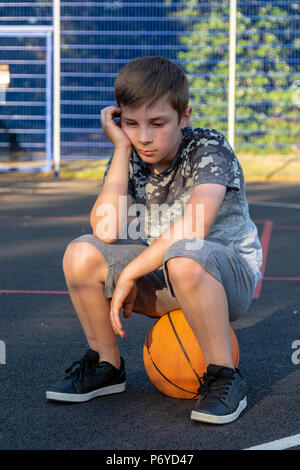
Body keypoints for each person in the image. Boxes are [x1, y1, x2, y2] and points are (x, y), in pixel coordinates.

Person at [46, 56, 262, 424]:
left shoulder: (209, 148)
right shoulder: (131, 157)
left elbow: (195, 226)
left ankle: (224, 376)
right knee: (81, 253)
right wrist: (120, 149)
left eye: (157, 123)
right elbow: (105, 229)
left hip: (225, 279)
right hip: (165, 272)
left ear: (184, 116)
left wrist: (130, 273)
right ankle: (106, 365)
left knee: (185, 255)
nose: (144, 136)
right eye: (131, 124)